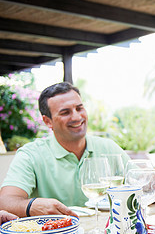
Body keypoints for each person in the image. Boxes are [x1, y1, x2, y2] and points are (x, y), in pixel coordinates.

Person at [0, 82, 130, 217]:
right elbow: (5, 201)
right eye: (65, 112)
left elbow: (142, 183)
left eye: (79, 108)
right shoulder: (30, 155)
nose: (76, 117)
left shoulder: (108, 147)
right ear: (48, 121)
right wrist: (31, 206)